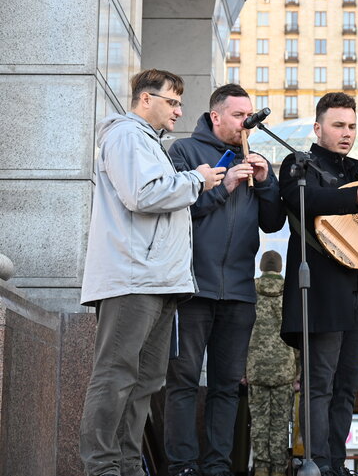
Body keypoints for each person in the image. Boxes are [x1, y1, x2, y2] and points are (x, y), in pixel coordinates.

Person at [79, 69, 225, 476]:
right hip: (132, 279)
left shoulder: (150, 143)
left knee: (144, 383)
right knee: (115, 375)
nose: (179, 110)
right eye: (172, 101)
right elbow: (142, 194)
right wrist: (197, 180)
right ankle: (102, 467)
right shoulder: (127, 135)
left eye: (180, 102)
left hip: (159, 281)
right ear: (147, 99)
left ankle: (127, 466)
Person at [278, 92, 358, 476]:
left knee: (348, 385)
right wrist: (355, 197)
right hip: (321, 293)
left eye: (351, 126)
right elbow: (302, 199)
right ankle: (315, 463)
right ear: (318, 128)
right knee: (320, 383)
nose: (346, 133)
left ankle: (337, 464)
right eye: (338, 125)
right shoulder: (299, 163)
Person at [164, 83, 286, 476]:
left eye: (249, 115)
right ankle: (182, 465)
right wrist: (225, 185)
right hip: (191, 287)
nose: (245, 122)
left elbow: (272, 222)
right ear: (215, 116)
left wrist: (267, 183)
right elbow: (176, 209)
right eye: (238, 115)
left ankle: (218, 466)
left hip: (238, 292)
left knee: (227, 385)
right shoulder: (185, 151)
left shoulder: (255, 154)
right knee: (182, 381)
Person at [246, 250, 296, 476]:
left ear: (261, 267)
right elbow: (298, 334)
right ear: (281, 267)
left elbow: (239, 329)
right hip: (285, 370)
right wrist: (299, 372)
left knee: (258, 422)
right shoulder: (291, 292)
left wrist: (241, 367)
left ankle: (261, 468)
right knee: (280, 423)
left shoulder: (249, 290)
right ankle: (278, 469)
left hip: (255, 368)